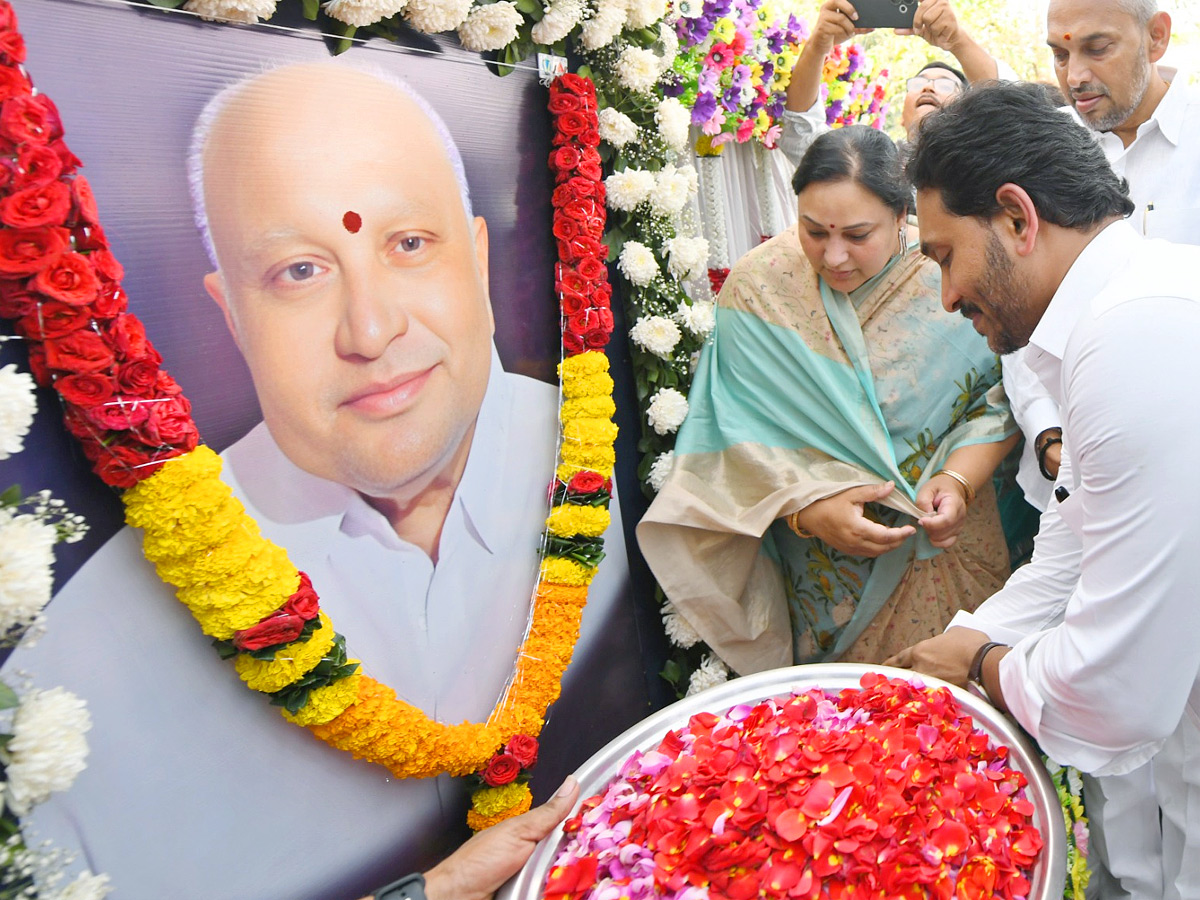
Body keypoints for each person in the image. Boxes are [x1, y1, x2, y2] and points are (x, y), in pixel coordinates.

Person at [3, 63, 639, 899]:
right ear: (231, 315)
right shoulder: (76, 680)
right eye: (299, 271)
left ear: (479, 264)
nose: (371, 330)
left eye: (409, 245)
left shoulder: (594, 448)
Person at [889, 80, 1200, 899]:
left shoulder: (1136, 334)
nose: (948, 297)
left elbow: (1114, 695)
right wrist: (960, 645)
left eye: (944, 256)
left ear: (1018, 218)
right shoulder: (1115, 314)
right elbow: (1071, 545)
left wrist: (984, 663)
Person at [637, 125, 1017, 677]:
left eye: (858, 235)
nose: (834, 256)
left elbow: (1004, 395)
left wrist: (959, 480)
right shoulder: (761, 288)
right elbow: (732, 431)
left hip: (944, 550)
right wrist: (806, 510)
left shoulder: (948, 275)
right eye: (814, 231)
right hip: (819, 575)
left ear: (901, 217)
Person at [779, 0, 1010, 166]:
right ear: (901, 116)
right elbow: (799, 134)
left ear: (968, 111)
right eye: (918, 84)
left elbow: (1011, 117)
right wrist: (817, 46)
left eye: (945, 86)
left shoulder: (983, 167)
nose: (928, 87)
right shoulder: (871, 166)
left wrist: (958, 40)